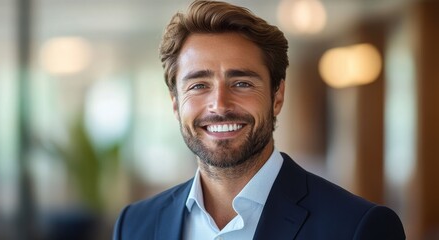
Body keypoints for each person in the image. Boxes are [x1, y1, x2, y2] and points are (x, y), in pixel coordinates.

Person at [113, 0, 406, 239]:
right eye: (198, 85)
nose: (220, 105)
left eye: (241, 83)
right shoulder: (134, 226)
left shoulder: (357, 227)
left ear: (277, 96)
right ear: (175, 103)